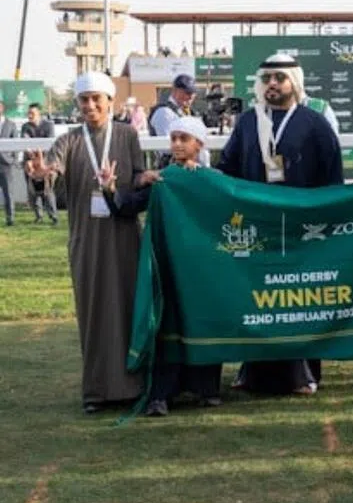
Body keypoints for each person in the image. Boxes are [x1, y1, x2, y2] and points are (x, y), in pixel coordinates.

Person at [217, 53, 344, 396]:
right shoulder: (246, 123)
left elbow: (333, 179)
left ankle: (304, 373)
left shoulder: (315, 123)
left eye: (280, 78)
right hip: (257, 229)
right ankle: (251, 372)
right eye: (267, 79)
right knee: (259, 299)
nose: (272, 84)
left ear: (295, 83)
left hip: (303, 230)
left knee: (298, 298)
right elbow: (227, 170)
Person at [25, 72, 146, 413]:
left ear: (110, 101)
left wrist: (144, 178)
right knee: (92, 312)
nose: (90, 106)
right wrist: (41, 173)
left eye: (97, 99)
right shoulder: (70, 140)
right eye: (84, 100)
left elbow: (137, 176)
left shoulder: (127, 134)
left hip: (123, 237)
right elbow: (51, 167)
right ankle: (96, 391)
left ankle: (133, 385)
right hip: (86, 239)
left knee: (126, 307)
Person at [97, 115, 222, 416]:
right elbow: (127, 207)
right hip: (167, 265)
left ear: (198, 144)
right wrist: (110, 188)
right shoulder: (163, 180)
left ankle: (206, 388)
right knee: (168, 325)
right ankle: (162, 394)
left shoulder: (213, 179)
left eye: (184, 138)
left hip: (202, 269)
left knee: (201, 321)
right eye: (173, 138)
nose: (177, 144)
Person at [150, 74, 209, 168]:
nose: (191, 96)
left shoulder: (190, 113)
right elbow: (167, 147)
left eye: (193, 93)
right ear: (174, 91)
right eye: (187, 92)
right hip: (172, 167)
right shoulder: (164, 112)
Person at [21, 103, 58, 225]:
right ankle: (38, 216)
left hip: (45, 164)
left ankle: (53, 216)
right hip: (30, 165)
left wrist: (38, 155)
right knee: (33, 191)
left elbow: (50, 144)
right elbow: (24, 142)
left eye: (32, 113)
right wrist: (31, 153)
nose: (30, 116)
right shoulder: (25, 127)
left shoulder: (49, 125)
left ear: (39, 114)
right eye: (29, 113)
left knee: (48, 191)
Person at [0, 103, 19, 226]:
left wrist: (13, 160)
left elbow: (16, 144)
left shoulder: (11, 124)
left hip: (6, 164)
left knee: (8, 193)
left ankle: (10, 218)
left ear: (2, 108)